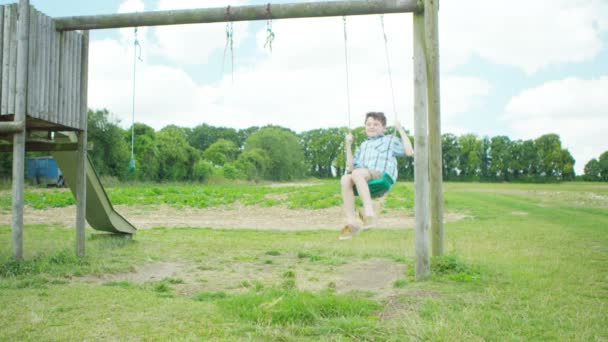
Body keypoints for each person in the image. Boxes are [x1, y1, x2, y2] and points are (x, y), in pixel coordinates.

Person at [339, 111, 414, 240]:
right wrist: (348, 145)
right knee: (345, 178)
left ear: (383, 128)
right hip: (363, 178)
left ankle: (369, 214)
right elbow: (350, 167)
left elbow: (409, 152)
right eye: (368, 124)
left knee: (357, 173)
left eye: (376, 124)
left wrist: (400, 130)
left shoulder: (389, 140)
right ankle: (352, 223)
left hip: (381, 176)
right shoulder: (362, 146)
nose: (371, 126)